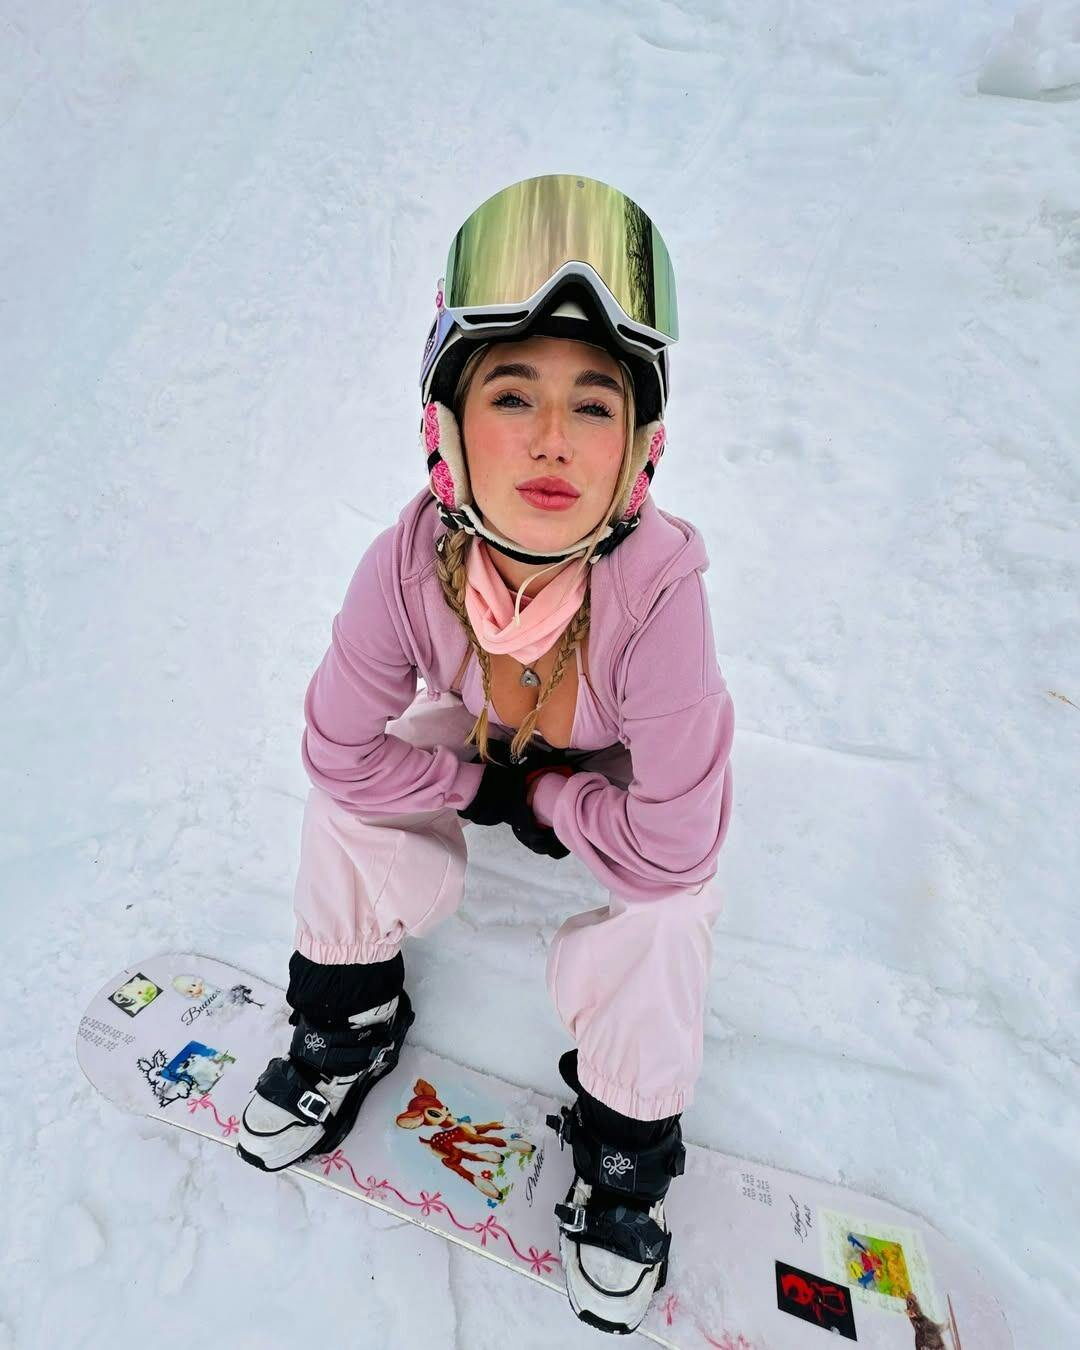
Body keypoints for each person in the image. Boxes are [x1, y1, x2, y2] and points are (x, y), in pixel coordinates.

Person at [235, 173, 735, 1336]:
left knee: (672, 909)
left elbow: (674, 842)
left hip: (603, 766)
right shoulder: (407, 565)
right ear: (447, 426)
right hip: (483, 740)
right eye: (514, 394)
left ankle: (625, 1142)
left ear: (639, 448)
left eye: (595, 405)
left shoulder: (661, 593)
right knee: (344, 811)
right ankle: (350, 1013)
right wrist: (470, 783)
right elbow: (338, 748)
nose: (554, 439)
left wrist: (553, 799)